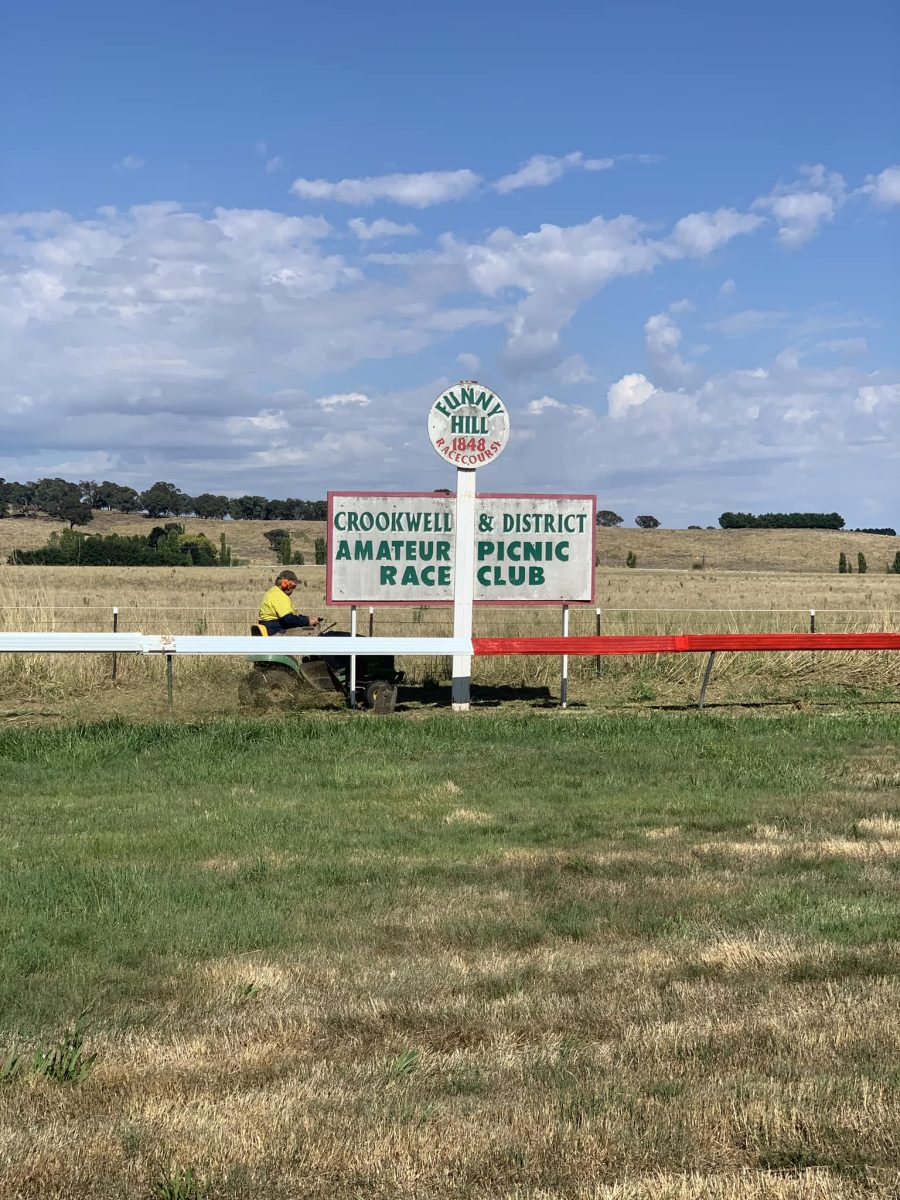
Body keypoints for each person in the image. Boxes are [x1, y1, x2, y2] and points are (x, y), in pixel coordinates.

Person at [257, 570, 321, 636]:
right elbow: (288, 619)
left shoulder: (274, 592)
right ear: (285, 583)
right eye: (293, 586)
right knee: (313, 632)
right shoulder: (279, 595)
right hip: (276, 632)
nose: (293, 590)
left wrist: (308, 618)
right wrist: (308, 621)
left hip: (273, 630)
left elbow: (292, 616)